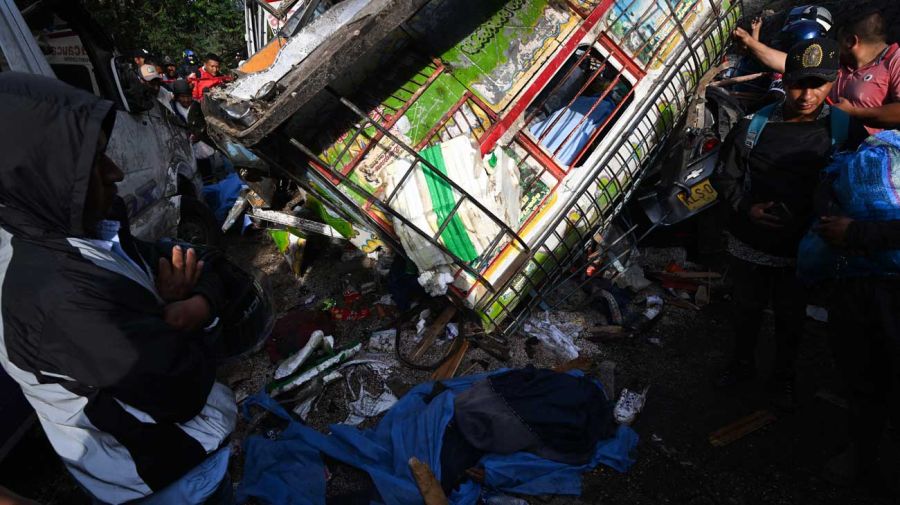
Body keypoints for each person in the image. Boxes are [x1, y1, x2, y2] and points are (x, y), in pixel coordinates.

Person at [0, 72, 236, 504]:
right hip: (167, 480)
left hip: (191, 459)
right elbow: (178, 390)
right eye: (92, 164)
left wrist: (199, 301)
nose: (116, 172)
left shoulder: (93, 232)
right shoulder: (56, 294)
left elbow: (205, 263)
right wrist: (195, 315)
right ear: (43, 178)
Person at [710, 38, 867, 408]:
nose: (807, 95)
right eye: (799, 83)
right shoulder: (754, 126)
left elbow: (865, 183)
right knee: (746, 309)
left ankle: (783, 376)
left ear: (833, 83)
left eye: (819, 84)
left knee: (791, 315)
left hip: (805, 248)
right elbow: (724, 176)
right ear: (786, 79)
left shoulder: (845, 131)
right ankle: (741, 365)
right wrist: (747, 207)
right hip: (751, 243)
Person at [803, 132, 900, 487]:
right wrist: (831, 216)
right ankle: (863, 452)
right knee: (859, 372)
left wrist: (860, 233)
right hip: (857, 282)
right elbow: (827, 187)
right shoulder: (870, 150)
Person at [734, 3, 900, 132]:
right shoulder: (838, 61)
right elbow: (788, 63)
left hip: (866, 158)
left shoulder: (894, 61)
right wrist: (750, 42)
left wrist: (855, 113)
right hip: (821, 145)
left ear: (851, 42)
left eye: (839, 40)